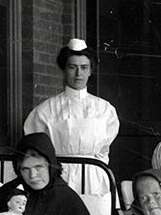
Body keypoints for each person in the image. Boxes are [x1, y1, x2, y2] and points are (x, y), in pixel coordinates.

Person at [23, 38, 120, 195]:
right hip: (60, 177)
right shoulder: (46, 109)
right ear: (64, 70)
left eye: (84, 67)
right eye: (72, 67)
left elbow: (103, 150)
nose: (78, 74)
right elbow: (36, 148)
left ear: (90, 70)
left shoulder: (104, 109)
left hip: (95, 177)